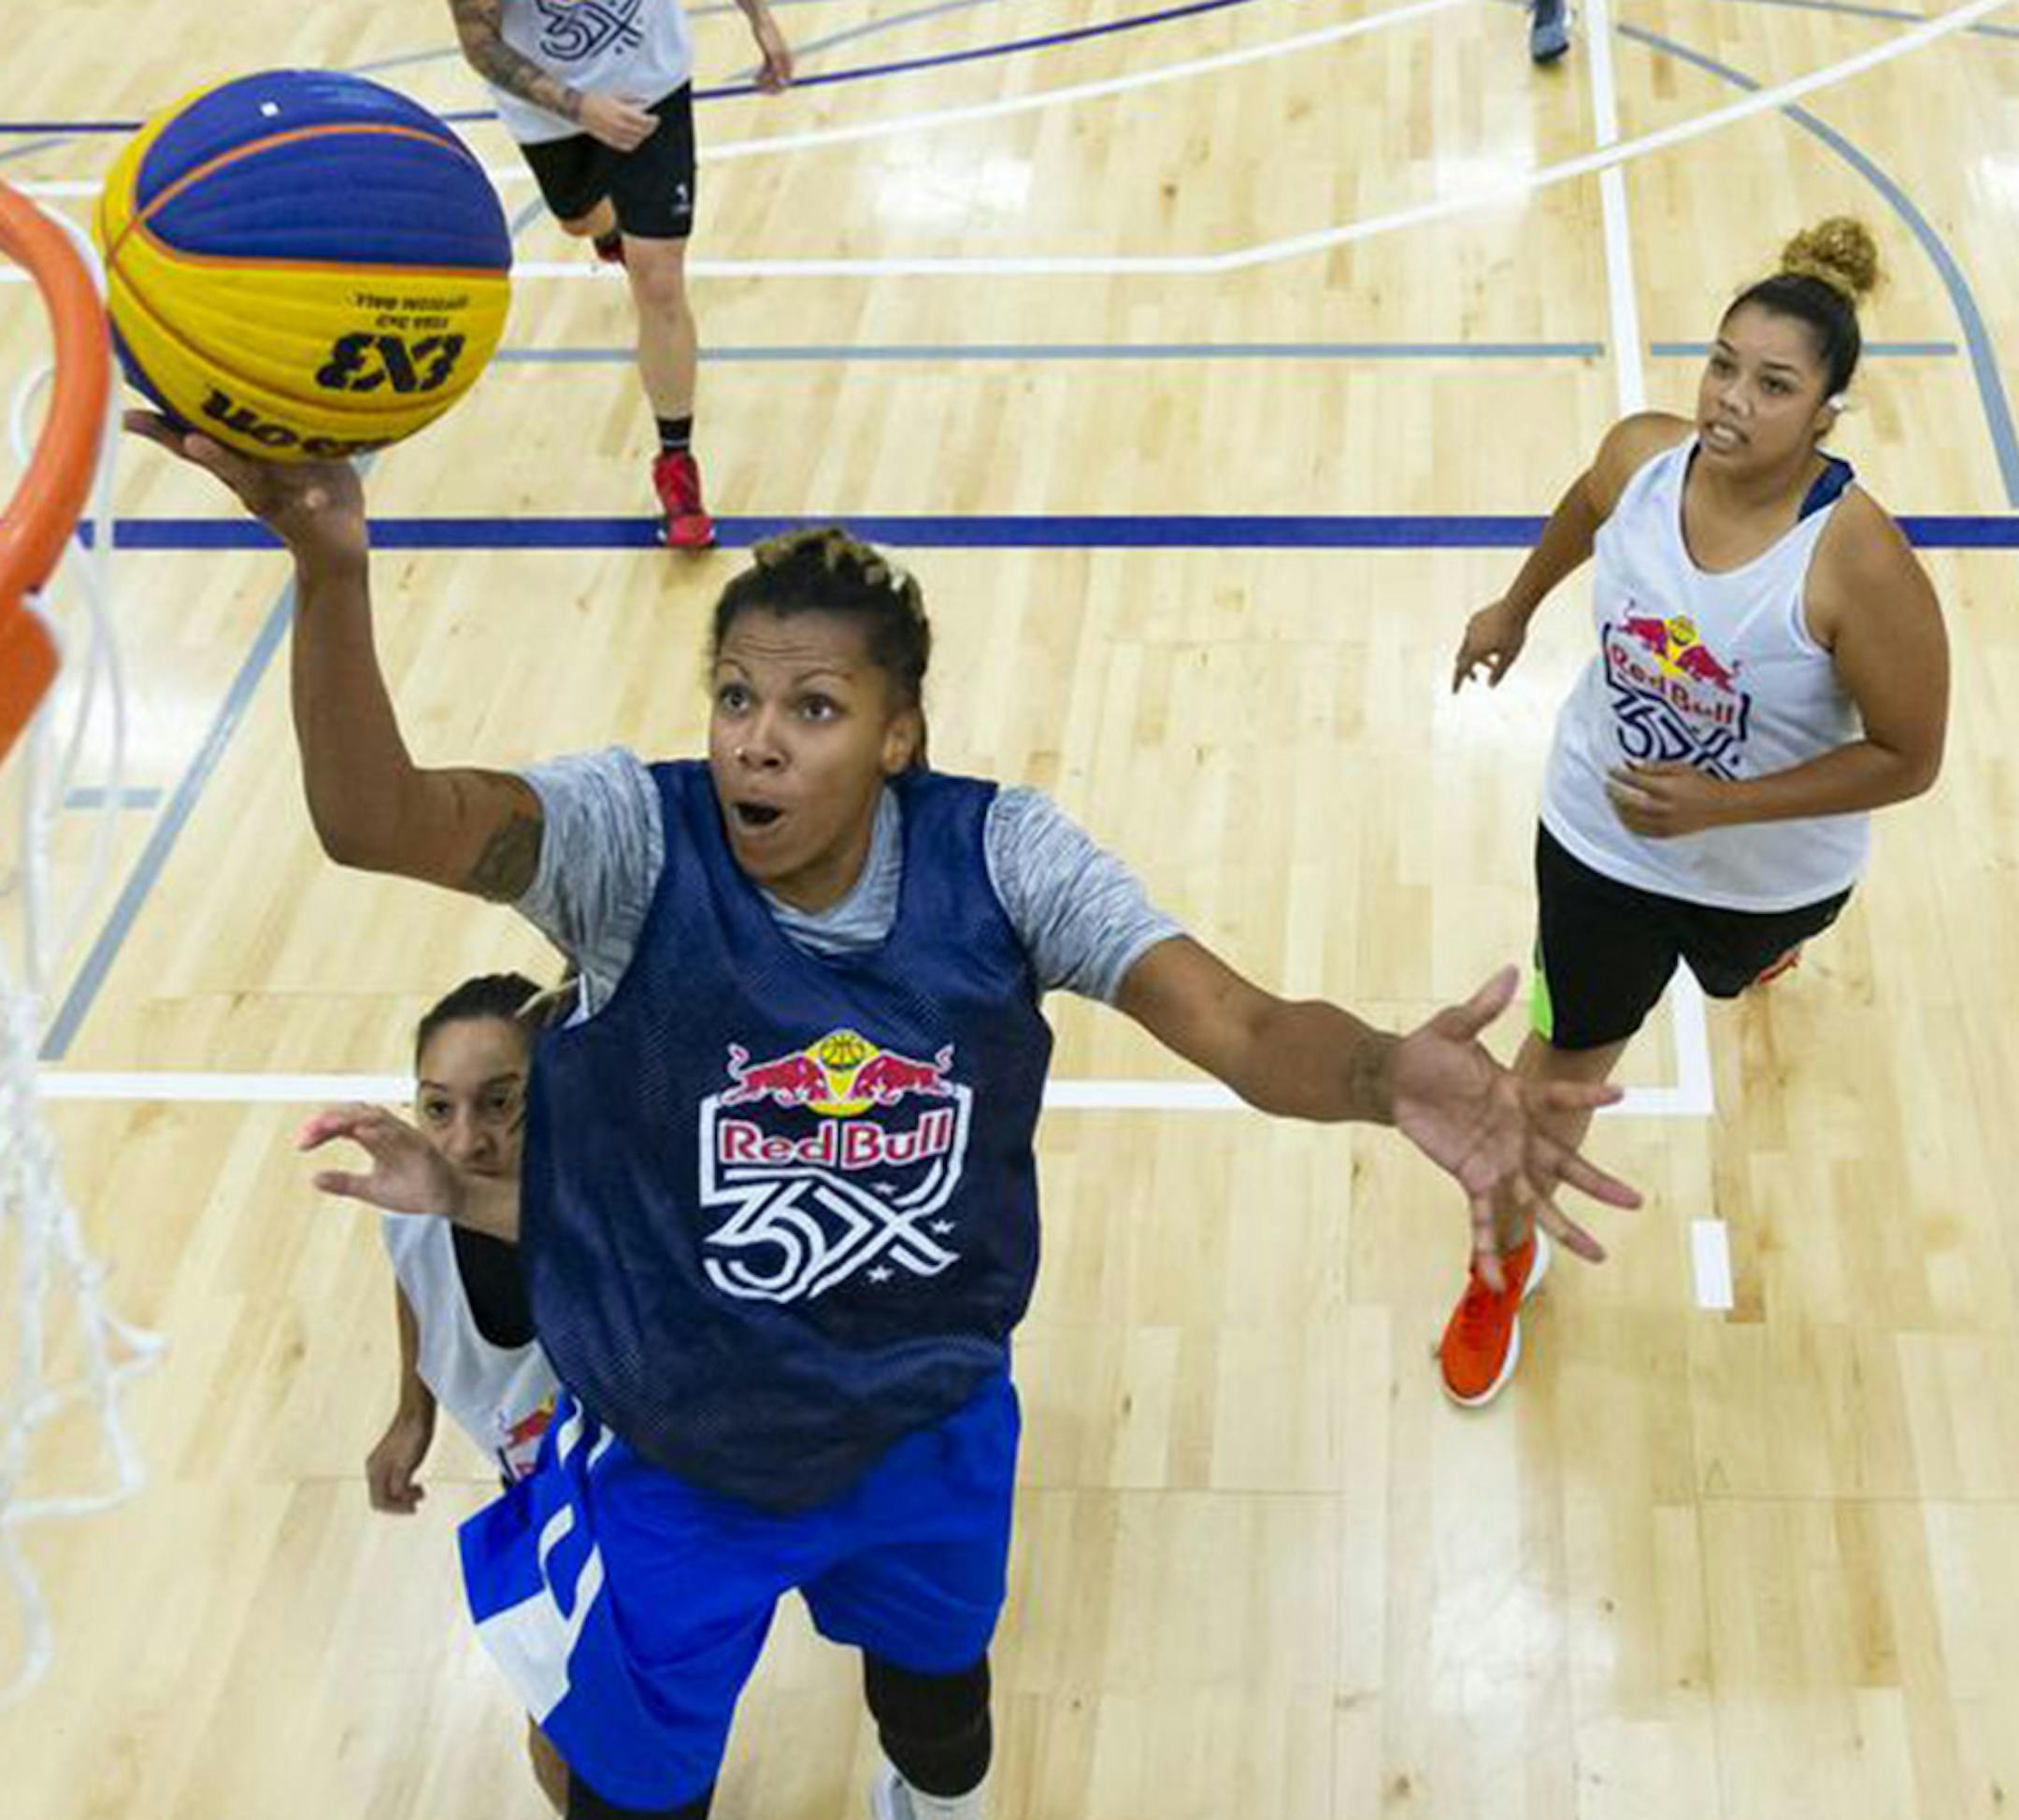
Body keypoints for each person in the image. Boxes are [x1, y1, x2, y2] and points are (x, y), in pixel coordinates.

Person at [125, 401, 1638, 1818]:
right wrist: (331, 573)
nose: (756, 737)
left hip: (921, 1425)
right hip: (670, 1444)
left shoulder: (1007, 858)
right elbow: (372, 818)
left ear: (899, 737)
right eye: (734, 695)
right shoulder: (622, 843)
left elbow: (1233, 1023)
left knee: (936, 1709)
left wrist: (1383, 1071)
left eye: (813, 705)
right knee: (635, 1789)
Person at [1442, 217, 1947, 1408]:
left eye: (1774, 385)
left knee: (1740, 967)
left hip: (1770, 874)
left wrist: (1730, 805)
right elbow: (1583, 503)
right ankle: (1500, 1263)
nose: (1731, 401)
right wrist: (1514, 607)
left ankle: (1756, 962)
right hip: (1602, 842)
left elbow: (1909, 757)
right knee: (1550, 1079)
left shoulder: (1857, 562)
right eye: (1722, 364)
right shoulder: (1641, 458)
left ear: (1828, 414)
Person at [446, 0, 795, 549]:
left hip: (651, 86)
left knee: (658, 281)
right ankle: (609, 233)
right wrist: (582, 108)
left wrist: (761, 19)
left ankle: (676, 466)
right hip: (554, 114)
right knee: (579, 220)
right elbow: (478, 39)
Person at [367, 969, 572, 1812]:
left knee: (631, 1738)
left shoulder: (614, 1214)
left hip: (664, 1496)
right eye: (437, 1107)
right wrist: (410, 1410)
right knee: (557, 1734)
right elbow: (415, 1276)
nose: (465, 1140)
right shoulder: (415, 1211)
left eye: (498, 1102)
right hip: (539, 1487)